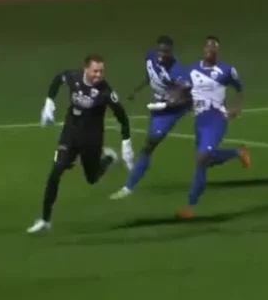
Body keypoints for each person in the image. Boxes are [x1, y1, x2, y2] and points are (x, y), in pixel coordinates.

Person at [27, 54, 134, 233]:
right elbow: (57, 79)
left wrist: (126, 143)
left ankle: (107, 159)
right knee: (56, 171)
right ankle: (45, 220)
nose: (98, 75)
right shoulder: (74, 78)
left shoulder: (106, 92)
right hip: (70, 134)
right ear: (86, 69)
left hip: (92, 140)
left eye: (101, 71)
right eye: (95, 71)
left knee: (92, 178)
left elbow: (123, 118)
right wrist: (49, 103)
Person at [177, 36, 250, 219]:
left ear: (217, 50)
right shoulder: (192, 70)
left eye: (214, 47)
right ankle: (237, 153)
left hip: (216, 118)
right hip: (200, 121)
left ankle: (190, 206)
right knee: (203, 162)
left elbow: (240, 89)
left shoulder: (226, 70)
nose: (210, 50)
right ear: (204, 49)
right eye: (208, 47)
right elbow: (183, 91)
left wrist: (236, 108)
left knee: (202, 158)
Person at [110, 36, 191, 200]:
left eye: (166, 52)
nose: (162, 55)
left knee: (150, 143)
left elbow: (187, 97)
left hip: (171, 112)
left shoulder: (177, 72)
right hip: (157, 107)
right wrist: (137, 89)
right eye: (160, 51)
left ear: (171, 52)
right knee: (148, 146)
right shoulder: (150, 57)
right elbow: (151, 76)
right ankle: (138, 170)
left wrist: (170, 102)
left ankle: (128, 186)